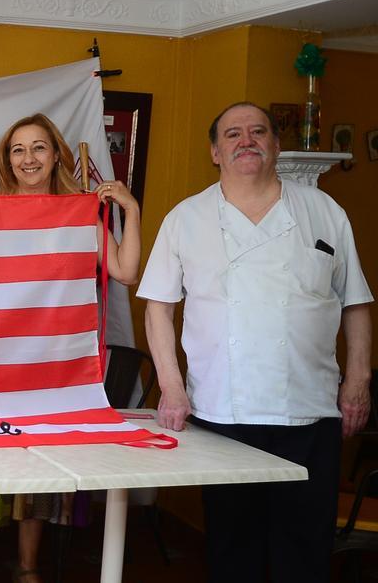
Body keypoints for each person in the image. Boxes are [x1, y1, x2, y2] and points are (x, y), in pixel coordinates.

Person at [138, 102, 372, 583]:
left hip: (310, 412)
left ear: (276, 145)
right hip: (223, 412)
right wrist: (172, 386)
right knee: (232, 548)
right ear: (215, 151)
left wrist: (359, 381)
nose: (246, 140)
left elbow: (355, 302)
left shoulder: (323, 211)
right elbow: (158, 307)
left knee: (305, 550)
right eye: (233, 134)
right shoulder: (187, 218)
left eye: (258, 131)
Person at [0, 112, 141, 583]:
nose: (28, 158)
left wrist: (130, 211)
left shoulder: (79, 210)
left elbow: (126, 272)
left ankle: (29, 565)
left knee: (39, 459)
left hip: (52, 361)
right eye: (18, 150)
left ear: (55, 153)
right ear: (6, 159)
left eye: (38, 147)